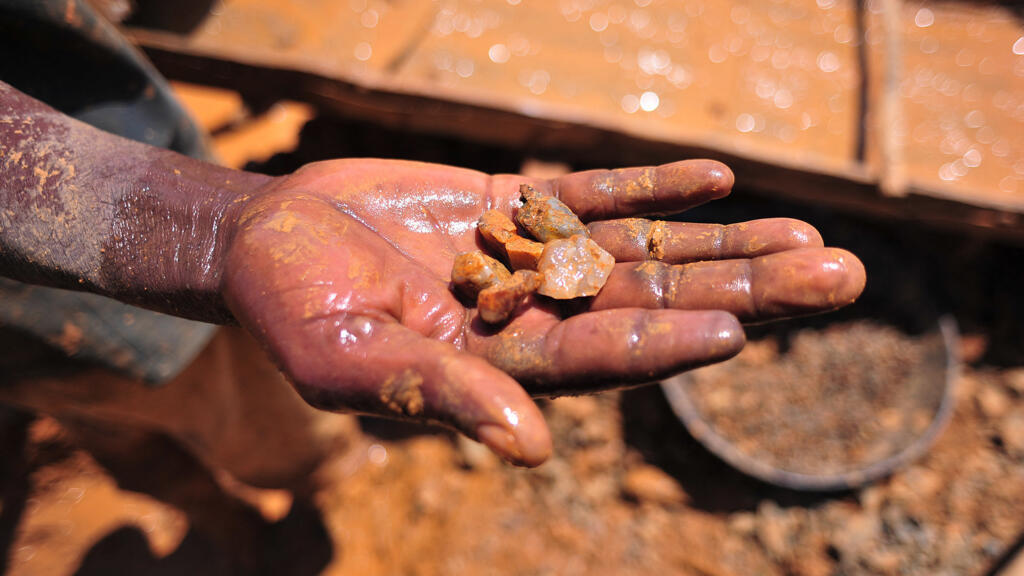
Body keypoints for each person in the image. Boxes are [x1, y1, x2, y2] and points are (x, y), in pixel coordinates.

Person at [0, 1, 865, 472]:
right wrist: (219, 230)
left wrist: (222, 220)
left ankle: (264, 478)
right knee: (155, 410)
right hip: (37, 301)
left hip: (98, 134)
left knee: (229, 406)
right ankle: (242, 499)